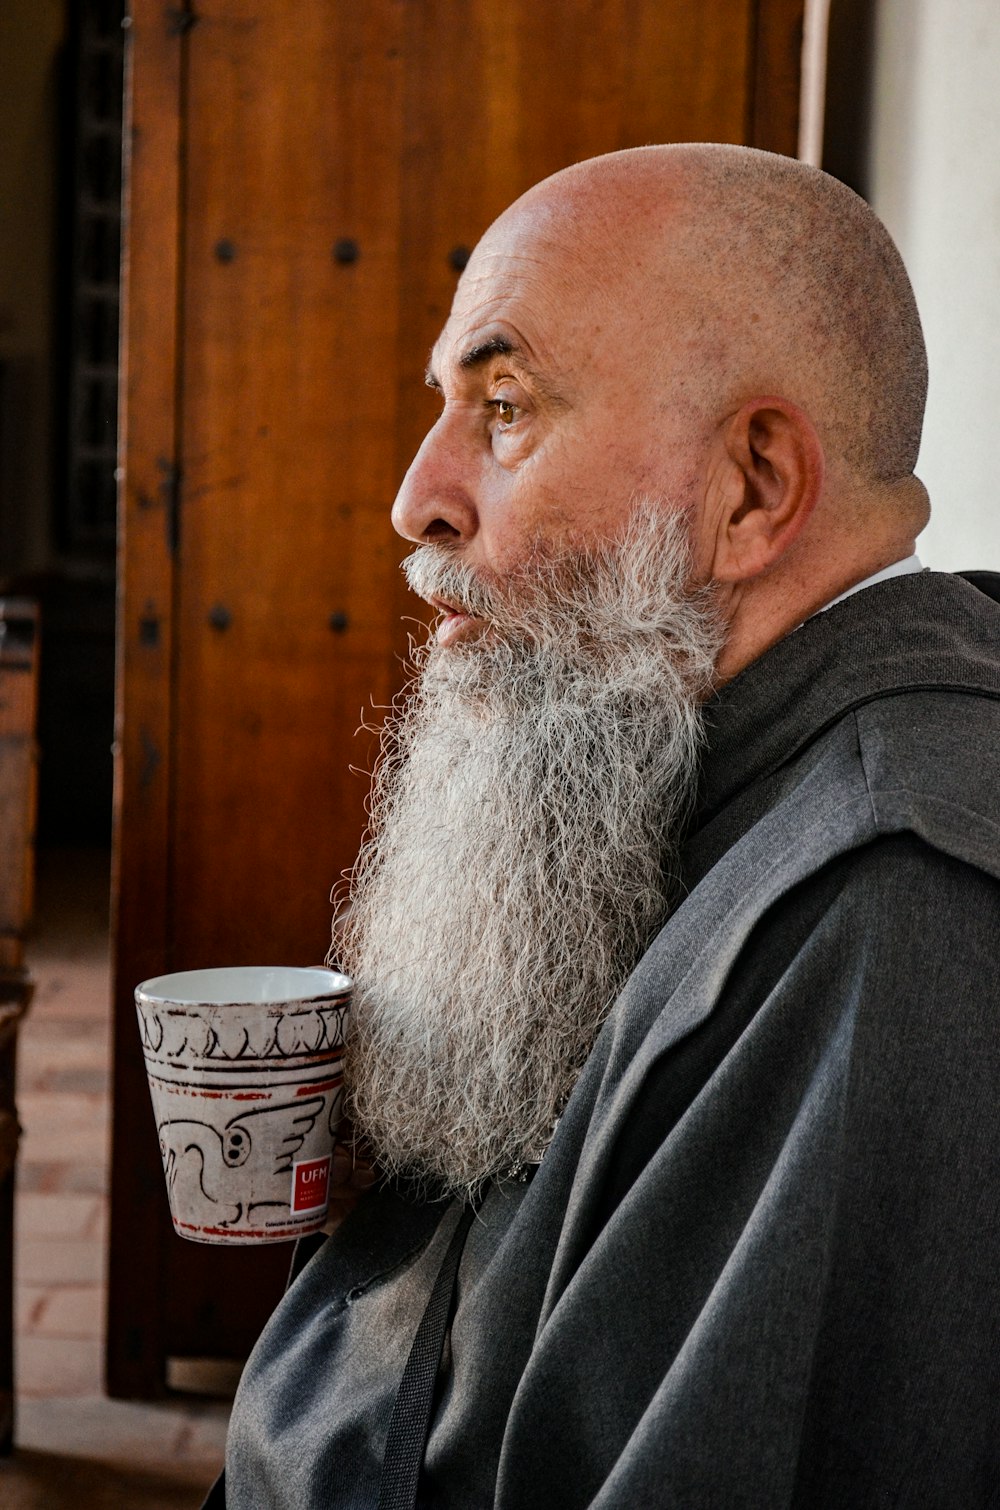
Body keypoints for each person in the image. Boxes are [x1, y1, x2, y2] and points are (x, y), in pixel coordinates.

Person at [215, 144, 1000, 1507]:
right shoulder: (659, 738)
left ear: (754, 487)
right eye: (444, 408)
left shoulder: (893, 910)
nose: (417, 498)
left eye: (505, 407)